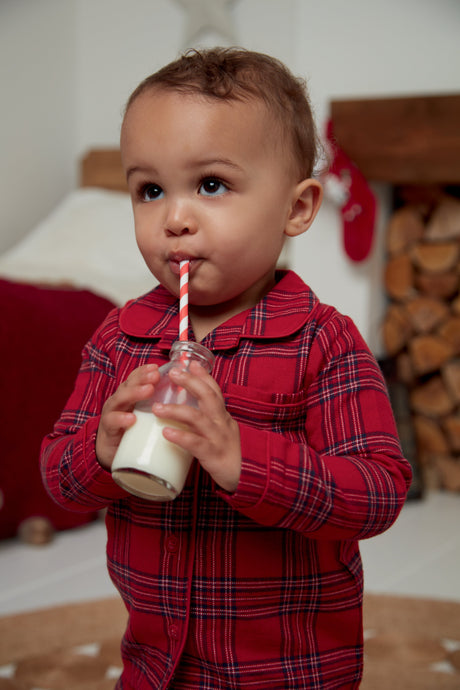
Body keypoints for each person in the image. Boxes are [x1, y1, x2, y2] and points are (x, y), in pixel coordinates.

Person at [41, 47, 412, 689]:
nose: (175, 219)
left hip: (290, 670)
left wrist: (244, 457)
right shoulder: (118, 337)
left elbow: (376, 493)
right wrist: (99, 449)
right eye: (149, 190)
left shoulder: (325, 341)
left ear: (296, 209)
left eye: (211, 184)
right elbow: (57, 477)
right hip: (156, 667)